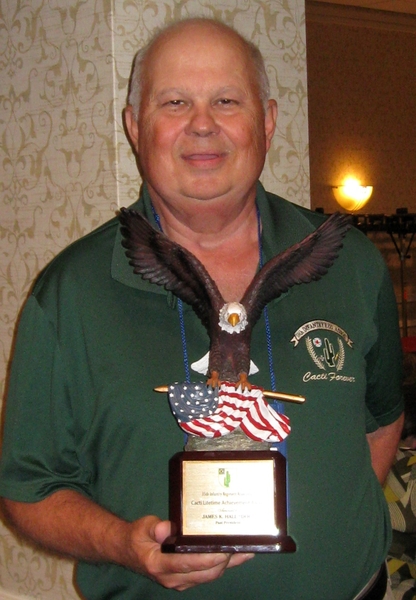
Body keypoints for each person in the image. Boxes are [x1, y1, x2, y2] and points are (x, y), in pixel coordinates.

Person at [0, 17, 404, 600]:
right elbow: (28, 489)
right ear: (135, 128)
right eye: (174, 102)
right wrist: (123, 544)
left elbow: (382, 419)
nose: (203, 124)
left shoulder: (349, 261)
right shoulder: (69, 291)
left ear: (266, 123)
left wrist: (331, 527)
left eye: (226, 100)